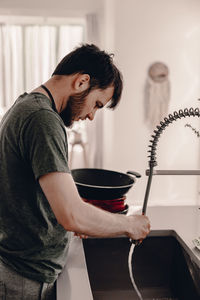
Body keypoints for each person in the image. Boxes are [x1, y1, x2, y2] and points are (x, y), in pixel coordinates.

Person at [0, 44, 150, 299]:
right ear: (82, 82)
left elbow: (43, 199)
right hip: (24, 279)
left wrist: (89, 221)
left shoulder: (26, 106)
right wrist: (129, 225)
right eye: (97, 104)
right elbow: (71, 214)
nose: (92, 116)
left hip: (18, 270)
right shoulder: (42, 119)